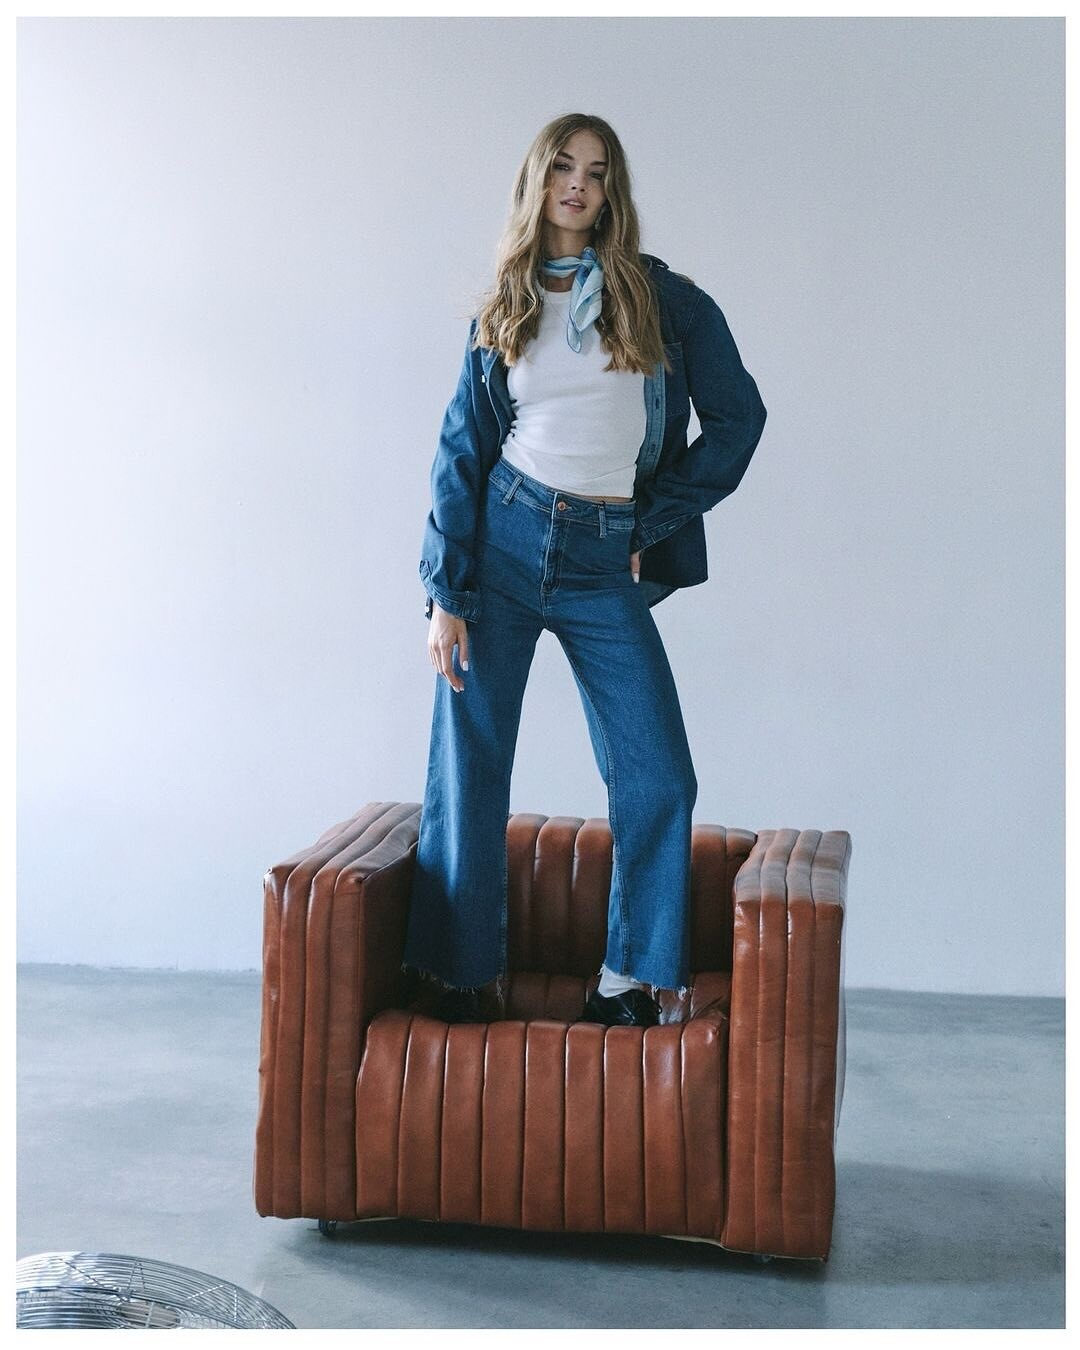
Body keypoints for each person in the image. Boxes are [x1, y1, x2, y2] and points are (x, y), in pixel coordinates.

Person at [402, 112, 767, 1028]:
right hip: (504, 544)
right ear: (538, 181)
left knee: (658, 772)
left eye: (597, 172)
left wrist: (654, 519)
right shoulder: (507, 304)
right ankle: (462, 973)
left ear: (612, 192)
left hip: (604, 558)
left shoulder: (663, 301)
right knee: (471, 761)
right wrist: (446, 592)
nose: (578, 183)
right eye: (563, 166)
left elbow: (739, 419)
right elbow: (461, 451)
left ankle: (628, 980)